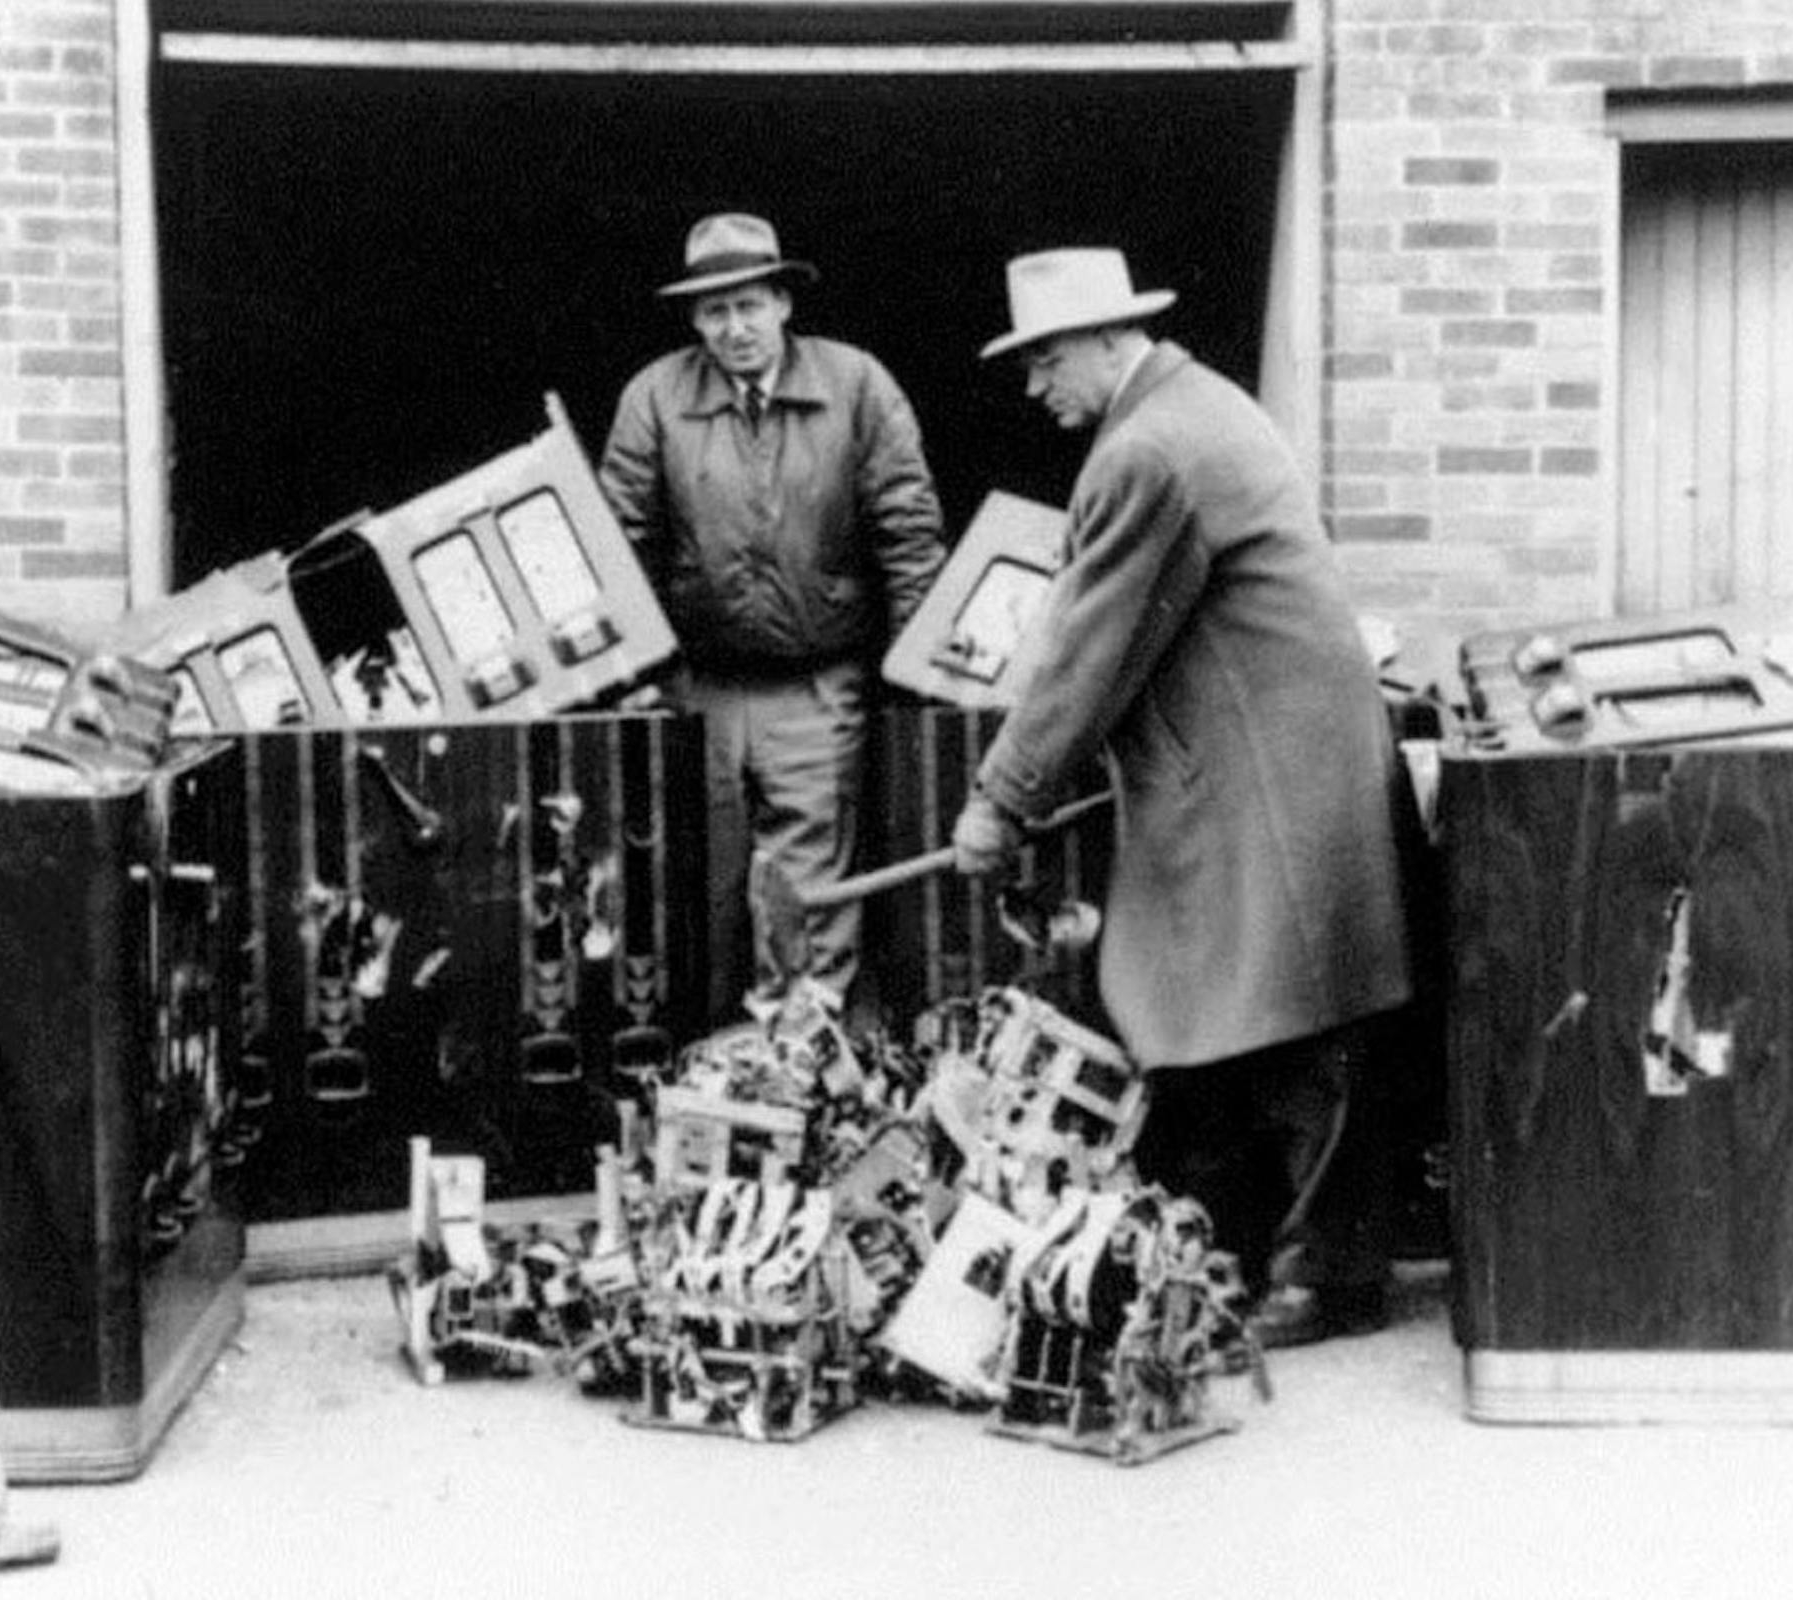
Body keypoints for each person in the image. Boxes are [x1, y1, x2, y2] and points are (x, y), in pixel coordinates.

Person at [951, 248, 1416, 1347]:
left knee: (1288, 1022)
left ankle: (1323, 1276)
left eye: (1047, 358)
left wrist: (1000, 800)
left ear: (1114, 340)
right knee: (1275, 1012)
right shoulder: (1201, 407)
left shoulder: (1149, 450)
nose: (1035, 386)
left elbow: (1087, 653)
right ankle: (1288, 1261)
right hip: (1279, 762)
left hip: (1266, 774)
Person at [600, 213, 946, 1018]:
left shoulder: (856, 384)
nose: (736, 328)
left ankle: (804, 1065)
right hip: (701, 687)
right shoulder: (654, 396)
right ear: (694, 320)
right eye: (716, 312)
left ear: (785, 302)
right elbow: (619, 546)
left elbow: (909, 531)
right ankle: (718, 1076)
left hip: (818, 683)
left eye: (750, 305)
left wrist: (916, 672)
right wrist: (637, 678)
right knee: (707, 883)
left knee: (813, 889)